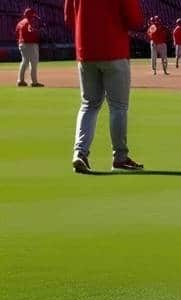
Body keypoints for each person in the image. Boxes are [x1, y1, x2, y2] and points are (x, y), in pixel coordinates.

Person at [66, 0, 144, 173]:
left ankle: (80, 152)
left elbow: (69, 17)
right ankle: (120, 158)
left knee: (88, 105)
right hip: (114, 49)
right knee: (118, 107)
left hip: (86, 50)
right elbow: (134, 19)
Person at [15, 8, 42, 87]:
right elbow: (30, 30)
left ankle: (20, 80)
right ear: (31, 15)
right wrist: (37, 31)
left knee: (24, 62)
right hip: (30, 44)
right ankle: (34, 82)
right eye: (33, 15)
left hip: (21, 44)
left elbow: (16, 32)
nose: (34, 17)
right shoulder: (29, 22)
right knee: (33, 63)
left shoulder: (20, 23)